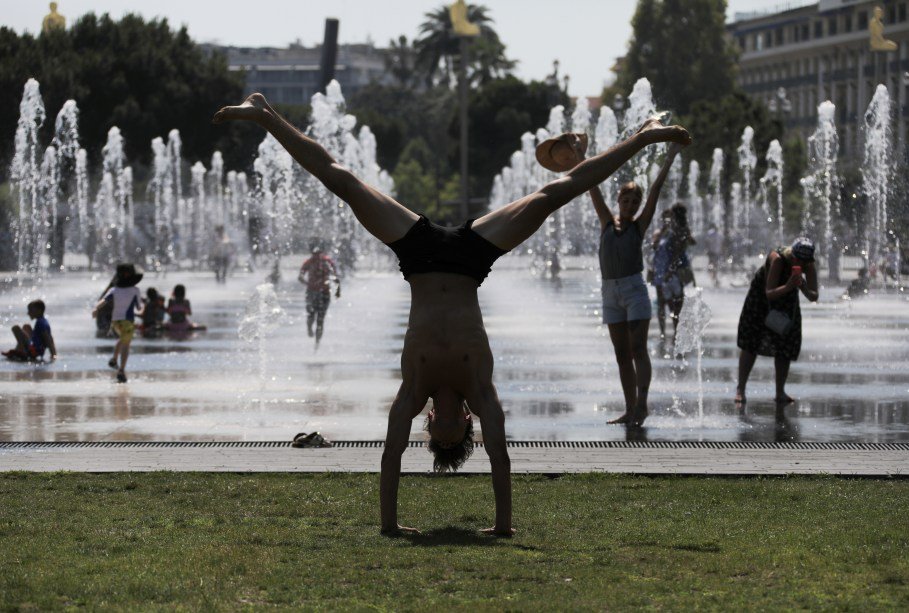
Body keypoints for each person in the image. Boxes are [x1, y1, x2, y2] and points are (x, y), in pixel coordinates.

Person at [214, 92, 690, 536]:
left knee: (344, 181)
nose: (441, 419)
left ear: (428, 423)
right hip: (469, 258)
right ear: (466, 422)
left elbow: (390, 458)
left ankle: (264, 115)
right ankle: (644, 135)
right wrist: (503, 527)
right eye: (452, 425)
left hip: (417, 254)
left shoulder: (412, 391)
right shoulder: (481, 391)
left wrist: (389, 526)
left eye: (435, 425)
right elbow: (500, 459)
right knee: (553, 196)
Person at [552, 134, 683, 427]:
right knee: (622, 354)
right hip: (610, 293)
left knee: (638, 348)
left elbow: (657, 189)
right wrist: (580, 155)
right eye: (627, 199)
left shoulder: (640, 225)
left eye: (635, 201)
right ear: (619, 201)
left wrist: (671, 155)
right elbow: (590, 184)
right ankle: (630, 408)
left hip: (635, 290)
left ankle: (643, 404)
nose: (631, 204)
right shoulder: (606, 221)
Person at [735, 237, 819, 410]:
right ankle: (740, 389)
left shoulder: (809, 266)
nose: (801, 265)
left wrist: (802, 286)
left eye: (804, 263)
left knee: (786, 343)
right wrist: (789, 286)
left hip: (787, 299)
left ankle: (780, 391)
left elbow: (814, 296)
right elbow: (769, 293)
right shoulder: (779, 259)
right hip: (761, 297)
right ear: (793, 256)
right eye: (798, 261)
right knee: (751, 341)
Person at [651, 204, 696, 345]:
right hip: (662, 271)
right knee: (666, 303)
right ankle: (666, 332)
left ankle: (675, 332)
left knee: (674, 304)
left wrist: (670, 271)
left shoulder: (677, 230)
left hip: (672, 271)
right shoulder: (667, 231)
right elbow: (655, 246)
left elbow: (682, 248)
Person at [93, 263, 143, 383]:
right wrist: (143, 309)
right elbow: (139, 308)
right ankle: (121, 370)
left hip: (115, 322)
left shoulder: (114, 290)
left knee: (122, 339)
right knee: (126, 344)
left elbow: (103, 301)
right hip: (128, 321)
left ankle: (114, 359)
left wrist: (96, 309)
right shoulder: (135, 290)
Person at [298, 246, 341, 347]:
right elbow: (300, 276)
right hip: (312, 293)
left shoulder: (327, 262)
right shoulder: (308, 262)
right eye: (315, 254)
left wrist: (338, 290)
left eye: (319, 254)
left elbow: (335, 276)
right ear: (312, 254)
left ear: (322, 253)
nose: (317, 256)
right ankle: (309, 327)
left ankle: (317, 344)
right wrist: (308, 284)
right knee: (311, 315)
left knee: (320, 320)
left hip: (324, 293)